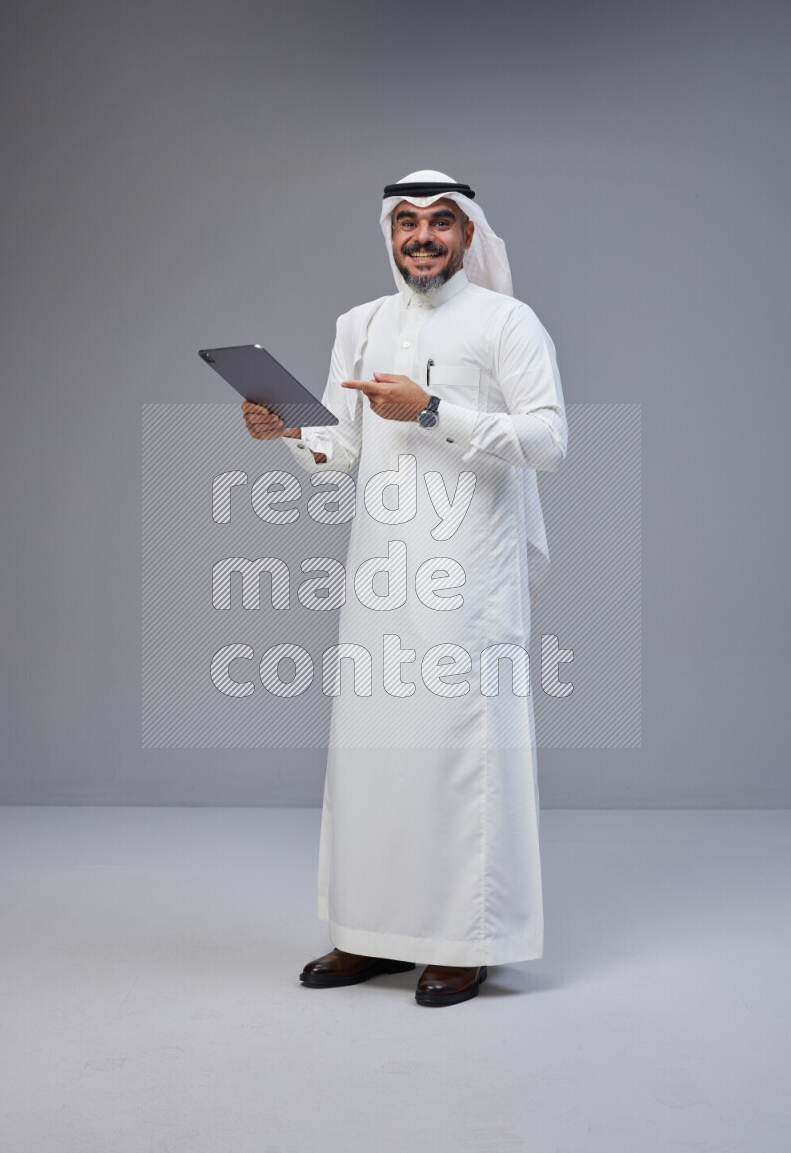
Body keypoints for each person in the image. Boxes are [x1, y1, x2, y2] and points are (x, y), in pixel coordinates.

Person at [242, 170, 567, 1007]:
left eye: (441, 223)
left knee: (460, 754)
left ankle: (466, 941)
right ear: (390, 233)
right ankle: (370, 933)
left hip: (471, 573)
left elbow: (550, 438)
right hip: (381, 572)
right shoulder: (362, 323)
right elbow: (342, 449)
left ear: (467, 235)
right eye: (408, 222)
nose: (422, 237)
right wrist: (288, 430)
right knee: (373, 754)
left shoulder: (507, 322)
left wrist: (434, 410)